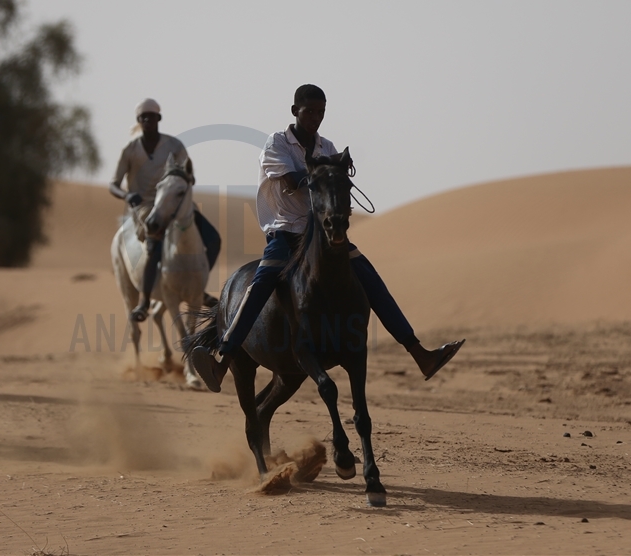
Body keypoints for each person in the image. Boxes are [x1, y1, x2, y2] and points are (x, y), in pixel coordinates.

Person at [190, 84, 464, 392]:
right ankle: (222, 361)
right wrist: (325, 175)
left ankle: (419, 354)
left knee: (370, 279)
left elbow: (334, 190)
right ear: (295, 111)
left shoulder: (326, 146)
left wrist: (337, 177)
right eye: (310, 112)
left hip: (322, 237)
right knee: (262, 282)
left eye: (321, 112)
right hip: (286, 233)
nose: (315, 118)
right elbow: (294, 182)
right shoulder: (277, 143)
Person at [109, 98, 221, 322]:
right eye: (144, 118)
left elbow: (188, 172)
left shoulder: (174, 146)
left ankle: (197, 288)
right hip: (145, 207)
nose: (148, 120)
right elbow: (114, 183)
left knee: (213, 239)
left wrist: (183, 180)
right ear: (139, 121)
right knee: (154, 246)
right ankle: (144, 300)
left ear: (159, 119)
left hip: (174, 202)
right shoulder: (130, 150)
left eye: (152, 117)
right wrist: (127, 195)